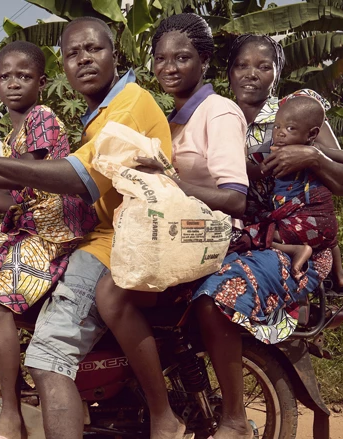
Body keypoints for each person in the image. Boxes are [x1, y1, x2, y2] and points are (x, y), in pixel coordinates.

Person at [0, 16, 174, 439]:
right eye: (72, 54)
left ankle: (13, 414)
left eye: (94, 50)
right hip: (105, 236)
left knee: (46, 356)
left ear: (115, 55)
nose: (83, 59)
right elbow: (24, 189)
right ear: (63, 67)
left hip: (114, 242)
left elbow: (71, 178)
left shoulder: (128, 106)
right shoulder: (97, 116)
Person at [185, 34, 343, 439]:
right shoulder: (212, 113)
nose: (252, 74)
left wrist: (313, 156)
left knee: (217, 296)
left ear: (277, 72)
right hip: (235, 235)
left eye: (263, 66)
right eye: (242, 65)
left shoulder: (295, 111)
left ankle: (233, 418)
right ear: (228, 72)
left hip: (284, 237)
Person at [93, 14, 248, 439]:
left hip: (214, 235)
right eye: (160, 58)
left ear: (204, 60)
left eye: (182, 57)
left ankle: (164, 415)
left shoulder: (218, 112)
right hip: (179, 233)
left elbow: (236, 198)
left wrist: (172, 182)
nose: (169, 67)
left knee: (111, 292)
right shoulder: (172, 118)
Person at [0, 40, 98, 439]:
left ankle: (11, 415)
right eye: (5, 76)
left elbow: (26, 174)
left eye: (24, 76)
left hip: (56, 233)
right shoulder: (13, 134)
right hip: (32, 228)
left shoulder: (41, 118)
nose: (13, 83)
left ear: (42, 83)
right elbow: (12, 196)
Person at [250, 95, 343, 277]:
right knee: (331, 241)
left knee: (258, 234)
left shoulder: (309, 151)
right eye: (277, 126)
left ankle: (296, 250)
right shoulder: (308, 148)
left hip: (303, 219)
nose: (280, 133)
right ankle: (340, 274)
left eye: (290, 128)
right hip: (324, 223)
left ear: (311, 134)